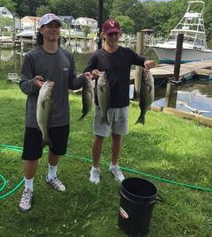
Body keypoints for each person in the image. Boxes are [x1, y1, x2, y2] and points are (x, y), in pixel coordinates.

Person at [19, 13, 90, 212]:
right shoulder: (32, 56)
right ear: (41, 30)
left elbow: (72, 83)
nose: (53, 29)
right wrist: (33, 83)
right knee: (32, 155)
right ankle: (28, 189)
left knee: (56, 150)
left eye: (57, 26)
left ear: (60, 30)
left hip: (61, 116)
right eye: (48, 26)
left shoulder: (67, 55)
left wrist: (83, 78)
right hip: (37, 117)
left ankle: (51, 176)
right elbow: (23, 85)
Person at [84, 19, 155, 184]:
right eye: (110, 34)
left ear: (120, 34)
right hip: (103, 104)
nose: (114, 36)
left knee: (117, 137)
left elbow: (140, 60)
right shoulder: (96, 56)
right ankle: (95, 168)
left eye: (116, 33)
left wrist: (146, 62)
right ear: (103, 35)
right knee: (99, 137)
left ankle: (114, 165)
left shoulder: (127, 53)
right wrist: (92, 74)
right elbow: (86, 73)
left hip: (122, 104)